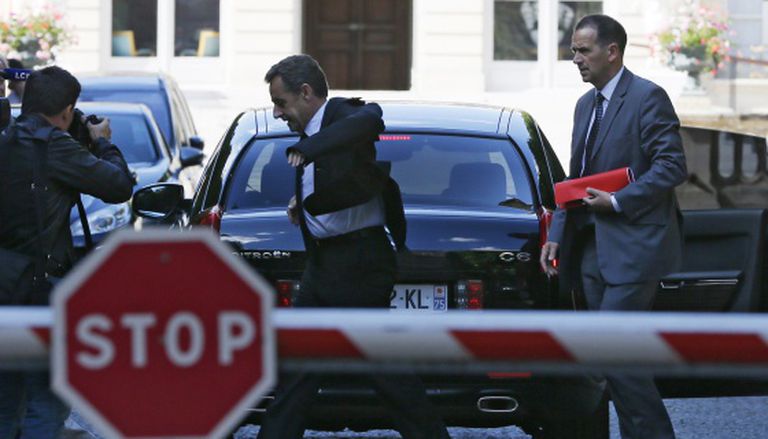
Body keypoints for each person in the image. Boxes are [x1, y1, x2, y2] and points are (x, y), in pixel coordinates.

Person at [257, 54, 449, 439]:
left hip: (358, 264)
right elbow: (332, 182)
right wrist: (304, 205)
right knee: (299, 371)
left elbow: (371, 118)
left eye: (281, 102)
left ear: (306, 92)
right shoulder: (309, 134)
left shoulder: (343, 118)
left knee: (386, 372)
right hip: (324, 265)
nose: (277, 113)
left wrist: (312, 149)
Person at [540, 15, 686, 439]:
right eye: (573, 51)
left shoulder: (647, 96)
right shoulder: (584, 105)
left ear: (612, 51)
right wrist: (556, 235)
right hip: (591, 252)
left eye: (583, 51)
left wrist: (618, 200)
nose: (576, 59)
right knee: (612, 358)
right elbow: (577, 178)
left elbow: (672, 166)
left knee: (614, 354)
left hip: (635, 249)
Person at [0, 66, 134, 438]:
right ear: (67, 110)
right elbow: (118, 185)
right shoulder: (54, 147)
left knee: (5, 402)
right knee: (47, 400)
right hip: (39, 291)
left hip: (4, 286)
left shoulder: (7, 139)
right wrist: (102, 142)